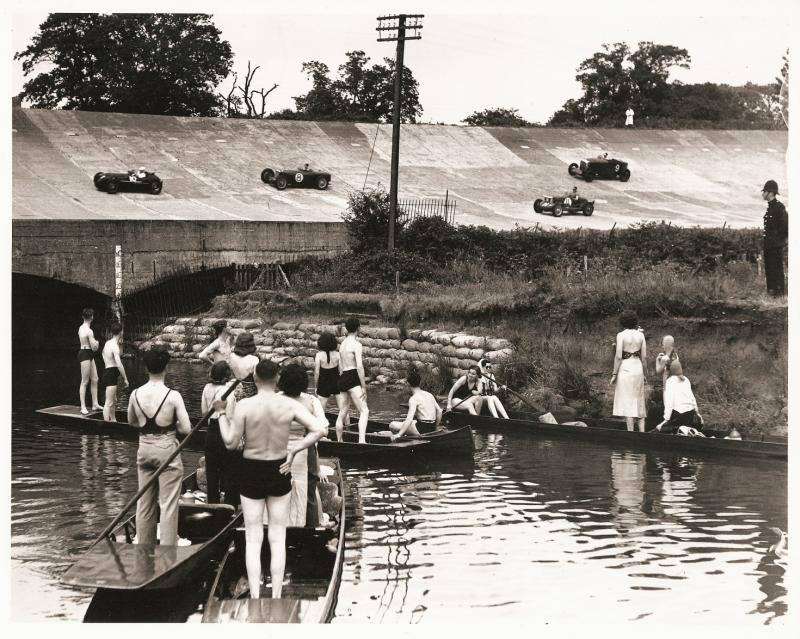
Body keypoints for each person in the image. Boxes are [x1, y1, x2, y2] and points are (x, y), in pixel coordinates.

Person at [213, 360, 327, 599]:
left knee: (253, 538)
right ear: (276, 379)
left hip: (251, 471)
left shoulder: (244, 405)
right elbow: (320, 430)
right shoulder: (288, 404)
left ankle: (255, 596)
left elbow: (230, 443)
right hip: (279, 470)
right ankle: (275, 596)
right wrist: (295, 449)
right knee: (278, 537)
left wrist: (221, 413)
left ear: (255, 379)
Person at [127, 348, 192, 546]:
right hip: (166, 451)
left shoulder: (135, 394)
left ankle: (143, 547)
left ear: (146, 368)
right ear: (166, 368)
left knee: (144, 504)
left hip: (144, 449)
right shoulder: (173, 396)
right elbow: (187, 429)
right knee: (168, 505)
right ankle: (167, 552)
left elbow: (132, 422)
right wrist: (174, 425)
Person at [277, 363, 327, 527]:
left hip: (277, 448)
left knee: (277, 490)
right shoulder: (311, 401)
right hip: (305, 446)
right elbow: (323, 429)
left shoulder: (275, 399)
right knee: (308, 490)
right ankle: (311, 528)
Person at [200, 361, 238, 505]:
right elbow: (231, 416)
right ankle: (230, 504)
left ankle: (212, 503)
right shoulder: (228, 391)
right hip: (225, 429)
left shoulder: (206, 388)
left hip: (211, 431)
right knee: (229, 469)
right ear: (226, 375)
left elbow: (204, 413)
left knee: (211, 471)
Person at [611, 311, 647, 432]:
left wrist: (614, 374)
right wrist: (645, 374)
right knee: (639, 401)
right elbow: (644, 358)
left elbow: (618, 357)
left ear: (622, 322)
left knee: (628, 402)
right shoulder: (641, 335)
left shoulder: (621, 335)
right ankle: (642, 433)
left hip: (625, 368)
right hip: (638, 367)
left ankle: (630, 434)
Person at [335, 317, 369, 444]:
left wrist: (343, 378)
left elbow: (340, 365)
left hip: (343, 376)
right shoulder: (357, 344)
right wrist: (363, 387)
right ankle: (362, 441)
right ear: (358, 328)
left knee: (342, 412)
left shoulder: (342, 344)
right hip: (352, 376)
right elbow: (359, 367)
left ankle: (339, 441)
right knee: (364, 410)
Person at [390, 368, 443, 439]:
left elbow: (409, 418)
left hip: (422, 430)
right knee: (413, 421)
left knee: (392, 425)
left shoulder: (413, 398)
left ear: (408, 384)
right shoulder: (429, 394)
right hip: (432, 427)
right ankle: (408, 433)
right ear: (419, 382)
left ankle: (401, 437)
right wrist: (435, 427)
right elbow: (439, 411)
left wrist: (399, 434)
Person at [654, 361, 704, 434]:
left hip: (678, 415)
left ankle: (678, 429)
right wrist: (697, 413)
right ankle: (684, 429)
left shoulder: (670, 381)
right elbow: (692, 398)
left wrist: (665, 421)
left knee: (659, 427)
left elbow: (669, 403)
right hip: (689, 414)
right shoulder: (686, 379)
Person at [762, 180, 788, 296]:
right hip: (769, 245)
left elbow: (785, 227)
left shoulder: (779, 207)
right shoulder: (770, 207)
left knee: (776, 268)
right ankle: (772, 290)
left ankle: (779, 292)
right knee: (769, 267)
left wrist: (778, 241)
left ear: (771, 193)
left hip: (775, 245)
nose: (763, 194)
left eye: (764, 192)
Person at [101, 321, 129, 422]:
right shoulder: (114, 346)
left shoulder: (107, 343)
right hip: (111, 373)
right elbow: (119, 364)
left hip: (107, 372)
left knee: (113, 401)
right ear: (121, 332)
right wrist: (125, 378)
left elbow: (103, 355)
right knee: (108, 402)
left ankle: (113, 420)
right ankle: (105, 424)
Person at [78, 307, 102, 415]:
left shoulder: (80, 328)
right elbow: (94, 348)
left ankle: (95, 404)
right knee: (84, 381)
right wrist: (97, 343)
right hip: (85, 353)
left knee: (95, 379)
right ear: (92, 317)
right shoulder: (89, 331)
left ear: (83, 317)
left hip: (87, 353)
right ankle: (83, 407)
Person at [314, 332, 343, 411]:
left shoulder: (318, 355)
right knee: (343, 410)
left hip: (323, 384)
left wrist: (316, 387)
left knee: (320, 410)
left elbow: (317, 373)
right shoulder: (338, 354)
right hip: (337, 382)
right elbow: (341, 371)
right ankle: (346, 420)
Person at [230, 332, 260, 399]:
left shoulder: (231, 356)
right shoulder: (254, 359)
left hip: (233, 389)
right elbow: (257, 379)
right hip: (250, 393)